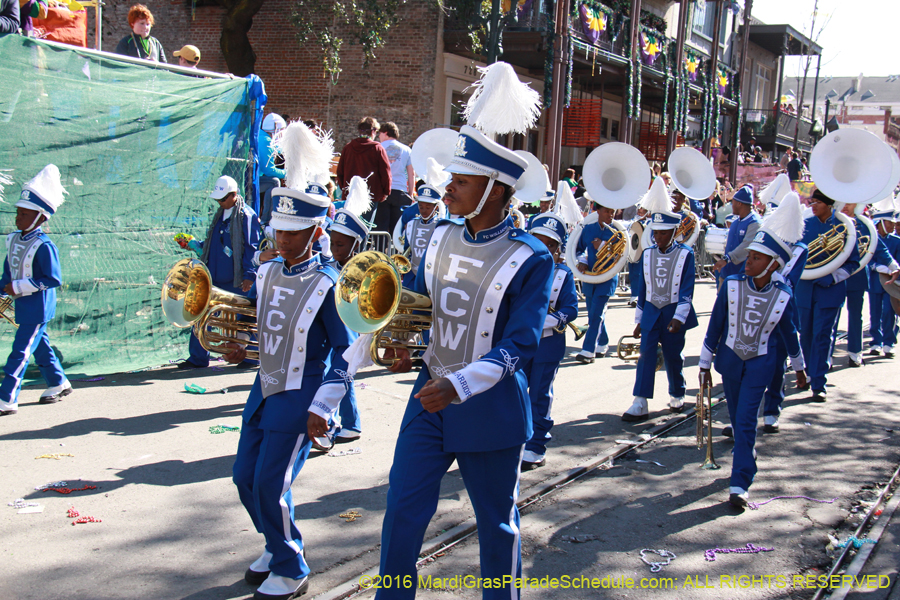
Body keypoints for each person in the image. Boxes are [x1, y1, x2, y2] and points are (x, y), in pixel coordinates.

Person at [374, 62, 553, 600]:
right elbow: (419, 303)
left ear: (495, 191)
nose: (448, 189)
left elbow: (521, 343)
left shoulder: (531, 257)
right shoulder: (439, 238)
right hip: (429, 394)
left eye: (461, 182)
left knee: (496, 527)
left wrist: (462, 383)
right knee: (402, 512)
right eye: (451, 180)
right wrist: (399, 342)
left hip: (489, 405)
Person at [224, 182, 354, 600]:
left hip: (303, 394)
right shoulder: (266, 272)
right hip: (263, 389)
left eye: (293, 231)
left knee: (270, 485)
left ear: (317, 231)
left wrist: (324, 406)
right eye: (279, 229)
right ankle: (276, 544)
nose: (282, 238)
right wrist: (241, 345)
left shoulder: (329, 283)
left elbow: (347, 351)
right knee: (244, 478)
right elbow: (267, 331)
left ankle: (291, 565)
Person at [700, 213, 808, 509]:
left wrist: (799, 369)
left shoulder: (784, 294)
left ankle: (740, 482)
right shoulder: (732, 284)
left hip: (761, 364)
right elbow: (716, 326)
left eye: (757, 258)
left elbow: (790, 333)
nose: (749, 262)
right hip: (730, 362)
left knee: (746, 422)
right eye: (750, 256)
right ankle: (746, 453)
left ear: (773, 264)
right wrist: (704, 363)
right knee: (736, 418)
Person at [623, 177, 698, 422]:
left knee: (673, 355)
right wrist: (638, 319)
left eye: (664, 233)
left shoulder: (686, 254)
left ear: (674, 232)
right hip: (652, 312)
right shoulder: (647, 254)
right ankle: (640, 401)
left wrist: (679, 318)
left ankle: (677, 391)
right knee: (645, 354)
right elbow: (643, 290)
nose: (658, 237)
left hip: (674, 312)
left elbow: (687, 290)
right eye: (656, 233)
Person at [0, 165, 71, 416]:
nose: (17, 218)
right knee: (40, 346)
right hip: (23, 306)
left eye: (23, 214)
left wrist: (16, 287)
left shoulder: (44, 245)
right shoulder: (12, 240)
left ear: (40, 217)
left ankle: (6, 398)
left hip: (39, 307)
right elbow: (8, 272)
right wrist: (2, 293)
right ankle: (58, 382)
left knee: (20, 351)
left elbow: (53, 279)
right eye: (18, 212)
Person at [177, 175, 261, 369]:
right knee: (200, 314)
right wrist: (194, 245)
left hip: (236, 279)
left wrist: (249, 275)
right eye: (218, 199)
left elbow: (252, 247)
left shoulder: (247, 216)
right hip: (215, 276)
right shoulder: (220, 216)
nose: (220, 202)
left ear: (234, 195)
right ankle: (198, 357)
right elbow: (214, 245)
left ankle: (249, 356)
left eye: (223, 198)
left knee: (244, 319)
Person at [520, 212, 577, 469]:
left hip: (548, 343)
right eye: (538, 240)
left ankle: (536, 445)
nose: (544, 248)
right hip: (521, 341)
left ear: (558, 249)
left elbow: (570, 309)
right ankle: (518, 439)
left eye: (550, 244)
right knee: (516, 392)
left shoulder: (563, 275)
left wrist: (544, 321)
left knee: (539, 395)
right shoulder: (520, 269)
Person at [321, 176, 373, 447]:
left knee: (336, 372)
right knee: (343, 374)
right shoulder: (332, 264)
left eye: (340, 245)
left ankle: (329, 422)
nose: (334, 249)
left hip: (349, 329)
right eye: (332, 242)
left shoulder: (362, 269)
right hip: (334, 328)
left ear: (356, 245)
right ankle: (350, 424)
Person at [795, 189, 860, 402]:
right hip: (805, 288)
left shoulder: (845, 228)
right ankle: (808, 370)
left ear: (828, 205)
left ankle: (819, 382)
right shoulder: (806, 225)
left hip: (829, 290)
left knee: (822, 335)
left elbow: (853, 262)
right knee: (805, 334)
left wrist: (832, 277)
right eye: (811, 202)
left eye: (816, 202)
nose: (812, 206)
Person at [757, 193, 807, 435]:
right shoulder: (765, 239)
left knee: (777, 363)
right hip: (755, 302)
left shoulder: (800, 249)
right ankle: (744, 415)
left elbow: (791, 279)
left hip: (780, 302)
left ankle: (772, 410)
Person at [834, 204, 900, 367]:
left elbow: (878, 246)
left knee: (856, 315)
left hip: (857, 276)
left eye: (850, 203)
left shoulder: (864, 224)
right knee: (832, 317)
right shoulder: (832, 222)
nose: (846, 207)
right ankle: (826, 355)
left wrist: (892, 265)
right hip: (833, 277)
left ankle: (855, 351)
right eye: (843, 203)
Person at [573, 198, 618, 363]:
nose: (610, 215)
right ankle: (603, 343)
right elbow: (578, 249)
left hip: (607, 278)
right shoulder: (588, 229)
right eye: (607, 211)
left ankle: (588, 350)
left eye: (612, 211)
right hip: (590, 278)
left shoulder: (617, 231)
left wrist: (602, 246)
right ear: (597, 211)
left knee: (597, 314)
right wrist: (582, 261)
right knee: (594, 315)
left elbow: (619, 257)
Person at [336, 117, 391, 230]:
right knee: (364, 229)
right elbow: (385, 172)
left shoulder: (348, 148)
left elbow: (340, 172)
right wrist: (385, 191)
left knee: (349, 228)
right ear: (373, 131)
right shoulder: (377, 148)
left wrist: (345, 189)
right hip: (370, 196)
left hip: (351, 194)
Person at [867, 204, 900, 357]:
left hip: (892, 282)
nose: (893, 225)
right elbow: (866, 259)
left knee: (889, 311)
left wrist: (892, 269)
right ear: (880, 223)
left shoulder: (896, 241)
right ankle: (876, 341)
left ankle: (888, 342)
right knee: (875, 312)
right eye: (889, 222)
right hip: (874, 280)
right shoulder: (871, 239)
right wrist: (877, 267)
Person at [713, 185, 761, 282]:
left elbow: (747, 246)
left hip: (741, 277)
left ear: (739, 204)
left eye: (732, 202)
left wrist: (727, 258)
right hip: (726, 273)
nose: (731, 205)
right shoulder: (735, 222)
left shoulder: (755, 223)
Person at [401, 183, 442, 289]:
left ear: (436, 207)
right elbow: (407, 250)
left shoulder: (441, 226)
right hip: (411, 275)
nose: (424, 210)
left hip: (432, 276)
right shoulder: (411, 224)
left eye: (428, 207)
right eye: (421, 206)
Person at [377, 122, 415, 236]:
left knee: (381, 228)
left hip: (382, 191)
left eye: (380, 134)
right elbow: (411, 173)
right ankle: (396, 252)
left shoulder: (378, 147)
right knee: (397, 229)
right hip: (400, 190)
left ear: (385, 133)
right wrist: (411, 192)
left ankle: (380, 251)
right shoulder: (407, 149)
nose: (379, 137)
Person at [259, 113, 287, 225]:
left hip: (253, 178)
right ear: (275, 129)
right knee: (274, 182)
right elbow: (269, 170)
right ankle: (266, 221)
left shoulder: (263, 136)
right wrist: (287, 173)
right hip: (251, 180)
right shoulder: (266, 140)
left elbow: (279, 150)